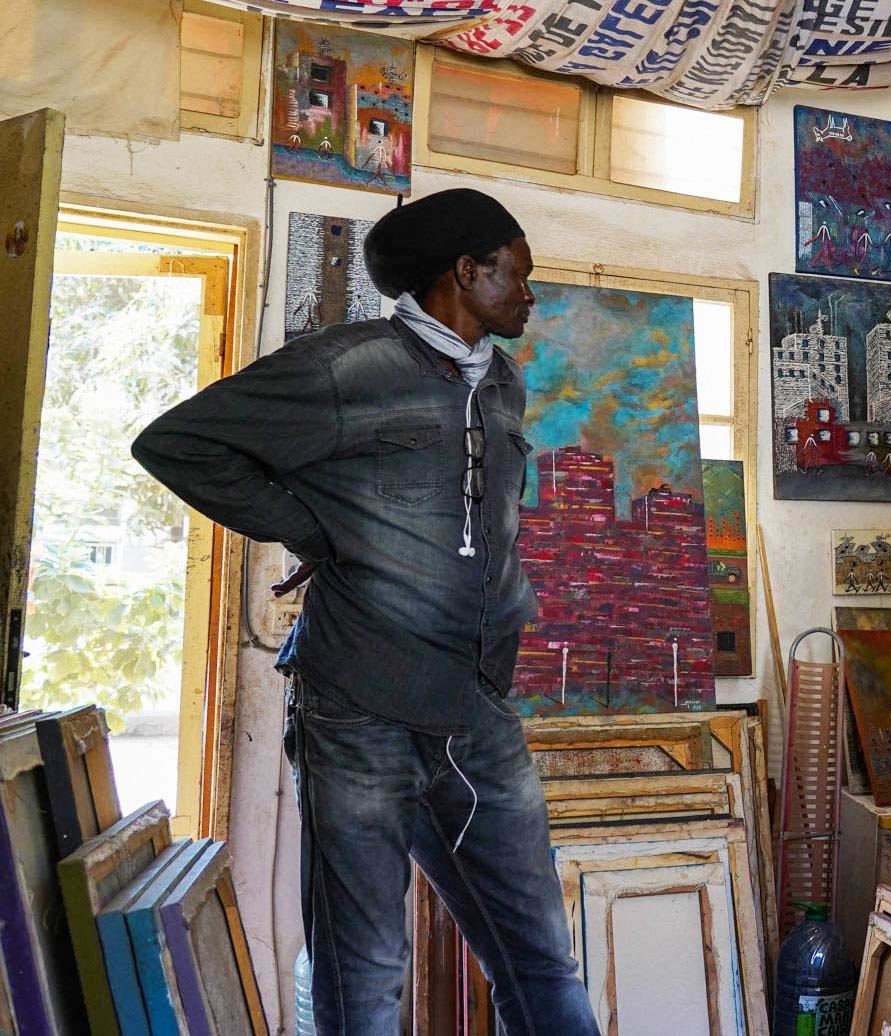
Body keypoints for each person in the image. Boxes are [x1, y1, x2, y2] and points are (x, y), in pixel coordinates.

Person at [132, 189, 598, 1035]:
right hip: (360, 709)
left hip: (478, 713)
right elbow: (177, 443)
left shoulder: (502, 382)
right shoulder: (345, 365)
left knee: (540, 958)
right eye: (517, 275)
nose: (531, 293)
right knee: (364, 972)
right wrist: (318, 528)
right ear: (466, 271)